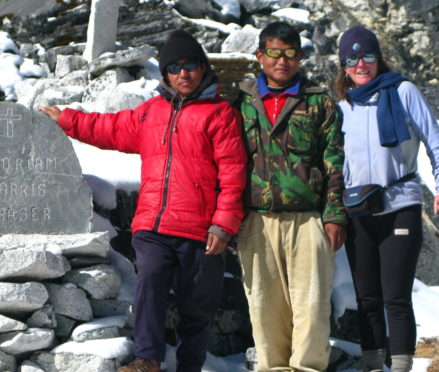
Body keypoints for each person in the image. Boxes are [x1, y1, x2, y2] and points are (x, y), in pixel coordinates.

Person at [39, 30, 247, 372]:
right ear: (164, 73)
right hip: (153, 224)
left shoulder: (220, 114)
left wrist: (224, 225)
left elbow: (234, 173)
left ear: (203, 67)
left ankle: (190, 366)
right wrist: (67, 119)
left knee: (198, 305)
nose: (184, 73)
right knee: (149, 289)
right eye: (175, 67)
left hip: (200, 230)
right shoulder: (151, 112)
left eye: (191, 65)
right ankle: (147, 360)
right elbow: (109, 128)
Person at [235, 21, 347, 371]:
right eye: (274, 53)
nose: (282, 61)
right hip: (256, 219)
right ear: (260, 55)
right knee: (264, 309)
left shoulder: (319, 102)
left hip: (308, 219)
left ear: (299, 58)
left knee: (312, 307)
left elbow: (334, 161)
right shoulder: (240, 102)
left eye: (290, 54)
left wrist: (334, 215)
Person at [335, 25, 439, 372]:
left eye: (367, 56)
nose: (361, 64)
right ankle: (371, 364)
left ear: (379, 58)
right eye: (352, 58)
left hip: (400, 205)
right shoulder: (342, 107)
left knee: (395, 296)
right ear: (343, 64)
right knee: (367, 298)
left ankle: (401, 366)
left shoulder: (403, 91)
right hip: (357, 210)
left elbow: (434, 139)